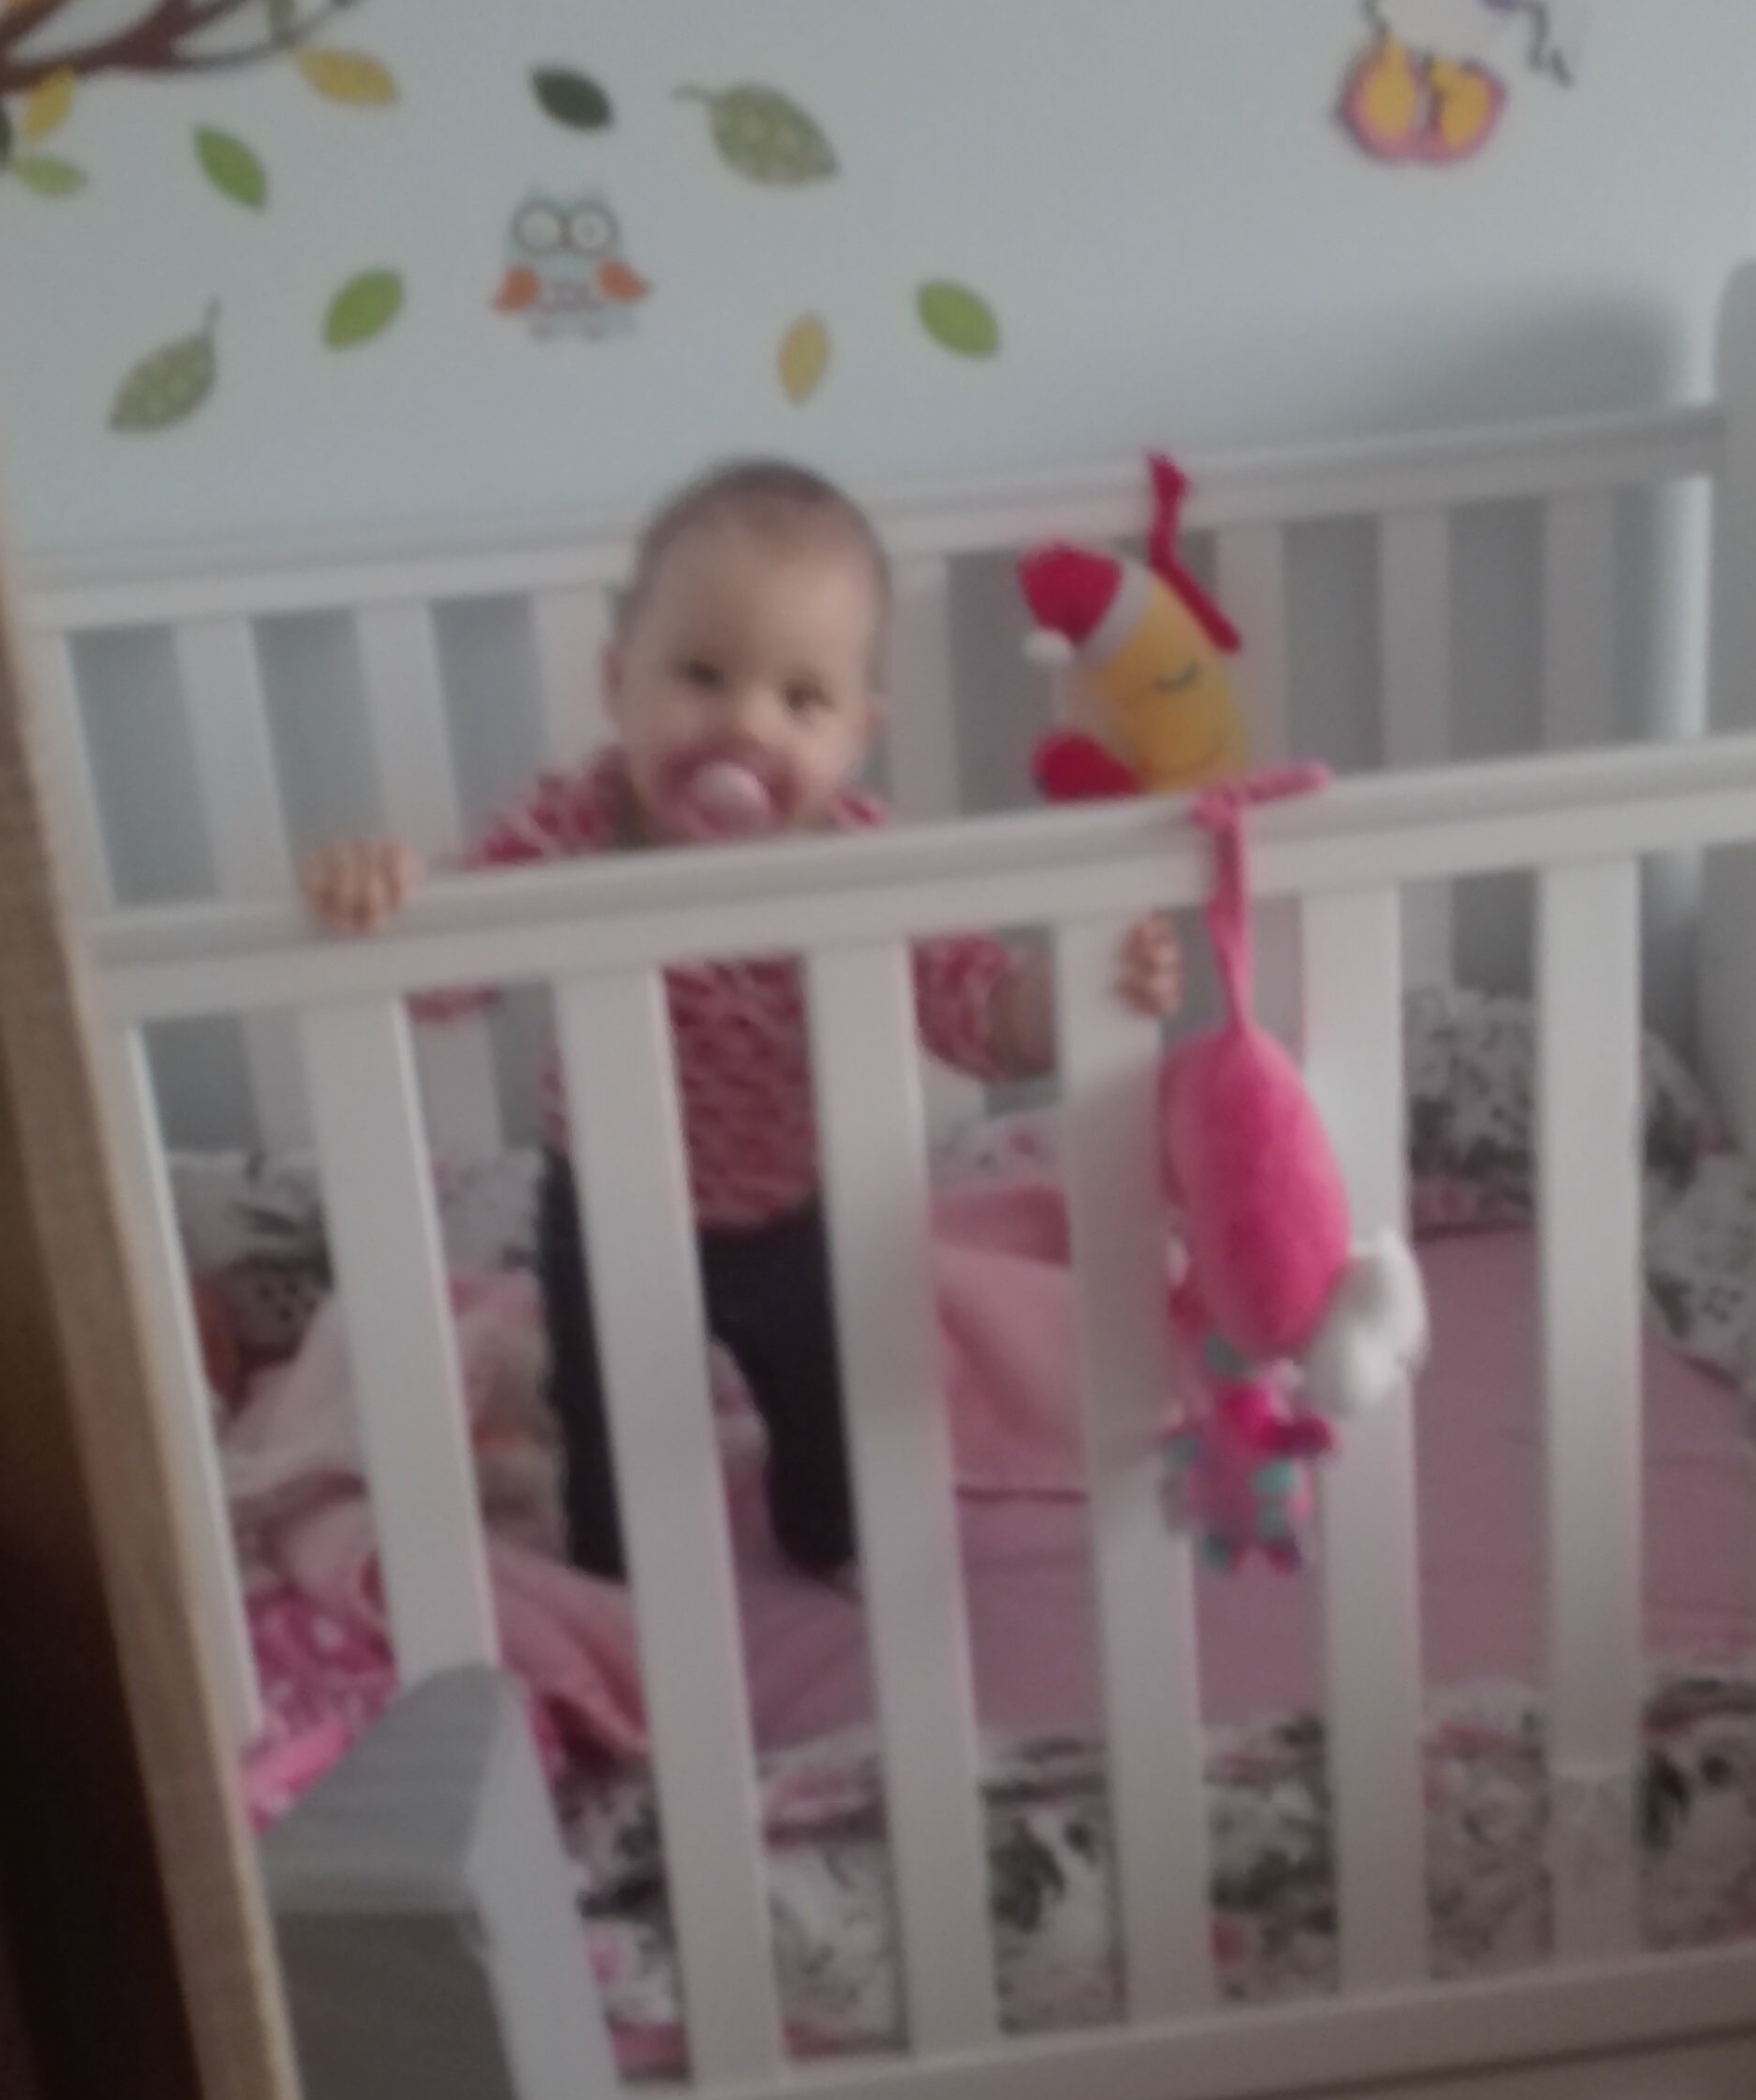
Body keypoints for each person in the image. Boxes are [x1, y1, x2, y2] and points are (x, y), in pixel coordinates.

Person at [305, 457, 1180, 1578]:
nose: (744, 722)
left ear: (856, 734)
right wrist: (388, 899)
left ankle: (824, 1533)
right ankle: (619, 1562)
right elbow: (445, 975)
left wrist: (1068, 995)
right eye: (702, 674)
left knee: (833, 1443)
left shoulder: (856, 860)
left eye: (800, 698)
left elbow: (971, 1007)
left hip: (789, 1204)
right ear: (619, 681)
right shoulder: (573, 825)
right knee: (613, 1464)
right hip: (606, 1206)